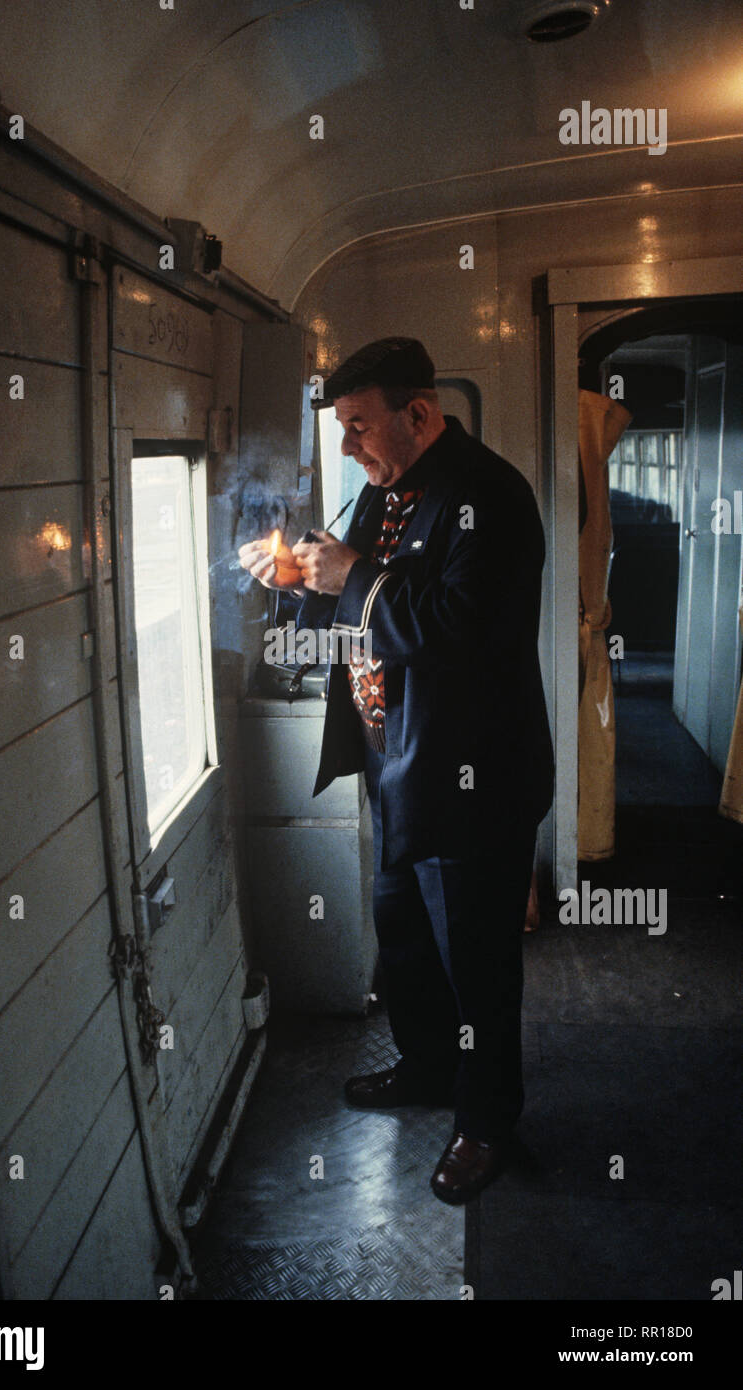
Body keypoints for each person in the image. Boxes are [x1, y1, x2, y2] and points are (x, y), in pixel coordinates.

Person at [240, 337, 554, 1203]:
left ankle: (488, 1121)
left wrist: (353, 576)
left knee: (478, 963)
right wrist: (302, 577)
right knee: (407, 936)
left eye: (358, 426)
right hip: (398, 765)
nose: (347, 446)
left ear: (418, 414)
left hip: (473, 781)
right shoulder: (382, 495)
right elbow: (361, 596)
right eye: (340, 428)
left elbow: (455, 628)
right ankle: (425, 1067)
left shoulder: (487, 494)